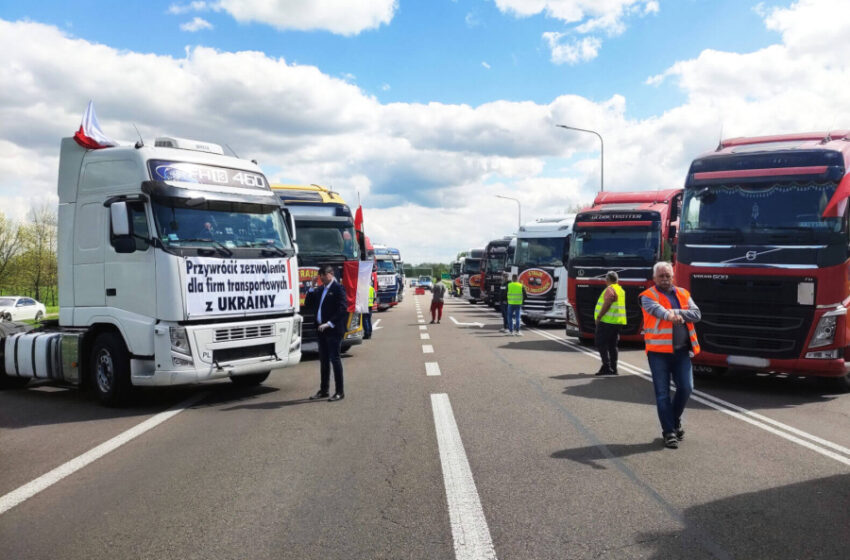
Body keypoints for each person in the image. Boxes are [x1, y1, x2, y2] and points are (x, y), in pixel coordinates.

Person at [639, 261, 701, 449]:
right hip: (658, 353)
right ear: (654, 278)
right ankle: (669, 432)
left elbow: (697, 314)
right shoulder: (647, 296)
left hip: (681, 351)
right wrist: (672, 315)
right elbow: (658, 311)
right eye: (661, 276)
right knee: (662, 394)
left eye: (668, 276)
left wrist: (675, 312)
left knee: (686, 387)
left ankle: (673, 421)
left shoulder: (683, 293)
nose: (665, 279)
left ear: (673, 277)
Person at [304, 265, 349, 402]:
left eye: (323, 275)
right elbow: (308, 304)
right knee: (323, 361)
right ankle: (324, 390)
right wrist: (311, 287)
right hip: (321, 330)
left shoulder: (338, 288)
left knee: (334, 359)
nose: (321, 278)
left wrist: (329, 323)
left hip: (333, 330)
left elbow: (343, 309)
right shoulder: (320, 289)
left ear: (330, 273)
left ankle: (339, 391)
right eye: (320, 276)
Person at [594, 271, 626, 376]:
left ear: (607, 280)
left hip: (607, 321)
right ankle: (614, 368)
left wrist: (599, 316)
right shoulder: (620, 290)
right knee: (613, 345)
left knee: (600, 343)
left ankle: (606, 367)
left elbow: (608, 301)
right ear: (617, 280)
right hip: (617, 322)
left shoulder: (610, 289)